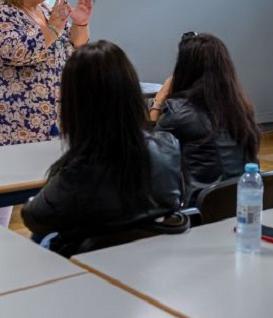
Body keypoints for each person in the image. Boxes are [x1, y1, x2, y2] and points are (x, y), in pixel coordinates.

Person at [21, 41, 183, 256]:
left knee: (42, 238)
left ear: (75, 103)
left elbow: (35, 218)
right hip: (146, 265)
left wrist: (34, 200)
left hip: (88, 273)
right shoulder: (168, 148)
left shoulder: (79, 172)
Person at [0, 0, 93, 226]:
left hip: (50, 119)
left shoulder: (48, 11)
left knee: (48, 189)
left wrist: (81, 23)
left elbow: (74, 49)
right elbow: (21, 53)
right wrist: (55, 26)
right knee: (1, 193)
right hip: (10, 122)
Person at [150, 32, 260, 202]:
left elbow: (152, 153)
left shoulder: (179, 111)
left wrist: (158, 103)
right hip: (242, 207)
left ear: (184, 70)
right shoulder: (241, 109)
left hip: (202, 212)